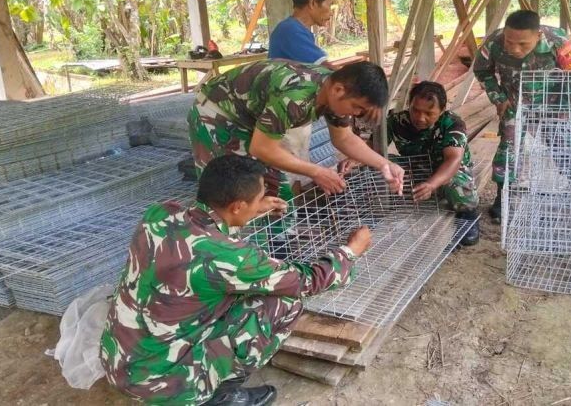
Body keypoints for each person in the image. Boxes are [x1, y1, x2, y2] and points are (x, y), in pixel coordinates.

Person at [100, 155, 372, 406]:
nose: (262, 200)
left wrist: (250, 210)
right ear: (237, 205)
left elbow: (206, 229)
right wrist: (351, 251)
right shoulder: (231, 258)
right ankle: (219, 395)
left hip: (117, 359)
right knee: (284, 302)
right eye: (259, 197)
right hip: (165, 384)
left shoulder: (159, 214)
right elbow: (309, 280)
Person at [187, 60, 404, 197]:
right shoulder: (295, 95)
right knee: (230, 190)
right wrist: (317, 171)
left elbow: (344, 139)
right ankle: (225, 249)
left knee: (274, 189)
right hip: (216, 113)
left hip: (248, 117)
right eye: (357, 107)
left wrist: (385, 164)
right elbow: (262, 149)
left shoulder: (334, 93)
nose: (356, 114)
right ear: (339, 90)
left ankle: (275, 248)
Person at [473, 10, 571, 222]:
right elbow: (481, 70)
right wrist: (498, 96)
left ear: (538, 36)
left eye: (523, 44)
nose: (514, 48)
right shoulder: (494, 42)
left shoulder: (557, 41)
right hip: (515, 102)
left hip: (552, 102)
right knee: (508, 149)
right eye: (510, 41)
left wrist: (563, 108)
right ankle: (502, 198)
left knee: (563, 144)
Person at [386, 81, 481, 245]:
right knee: (377, 164)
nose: (420, 118)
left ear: (442, 110)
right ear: (410, 104)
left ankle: (468, 215)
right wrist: (355, 158)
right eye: (415, 110)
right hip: (414, 166)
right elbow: (374, 148)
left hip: (445, 170)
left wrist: (431, 184)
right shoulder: (396, 121)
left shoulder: (452, 123)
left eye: (429, 113)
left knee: (457, 186)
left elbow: (453, 159)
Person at [267, 0, 334, 67]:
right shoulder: (290, 31)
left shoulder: (293, 28)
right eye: (329, 5)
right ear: (313, 3)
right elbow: (327, 69)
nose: (331, 13)